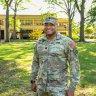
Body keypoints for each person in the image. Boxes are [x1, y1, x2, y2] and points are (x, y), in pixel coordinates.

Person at [30, 17, 80, 96]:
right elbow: (35, 62)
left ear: (56, 26)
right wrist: (33, 80)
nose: (48, 27)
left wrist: (72, 87)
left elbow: (74, 65)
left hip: (59, 89)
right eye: (46, 25)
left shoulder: (67, 42)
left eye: (51, 25)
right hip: (41, 87)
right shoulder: (39, 42)